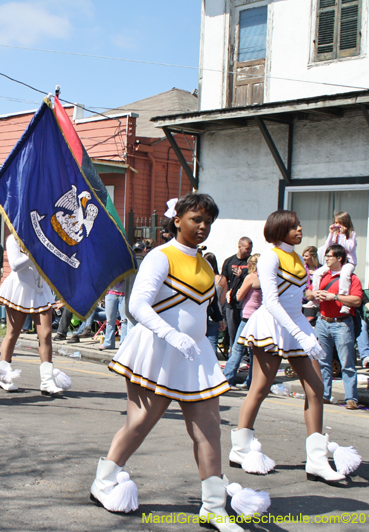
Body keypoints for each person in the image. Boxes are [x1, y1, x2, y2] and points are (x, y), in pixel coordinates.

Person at [94, 194, 255, 529]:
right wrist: (171, 335)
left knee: (209, 430)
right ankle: (104, 481)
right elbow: (136, 305)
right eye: (196, 219)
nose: (202, 227)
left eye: (208, 221)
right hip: (156, 351)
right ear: (177, 219)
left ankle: (213, 507)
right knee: (140, 423)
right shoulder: (160, 256)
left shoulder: (205, 263)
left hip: (195, 356)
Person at [232, 210, 360, 483]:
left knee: (316, 388)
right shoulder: (270, 256)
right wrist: (300, 334)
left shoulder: (295, 258)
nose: (300, 230)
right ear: (279, 230)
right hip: (272, 325)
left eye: (300, 226)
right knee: (260, 387)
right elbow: (272, 301)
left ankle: (316, 460)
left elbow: (295, 293)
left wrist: (310, 303)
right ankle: (240, 448)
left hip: (298, 323)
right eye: (294, 227)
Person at [0, 233, 70, 394]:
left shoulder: (44, 236)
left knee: (46, 334)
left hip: (40, 289)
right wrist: (35, 251)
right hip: (19, 288)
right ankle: (4, 377)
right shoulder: (13, 239)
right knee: (13, 333)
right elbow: (14, 265)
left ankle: (47, 381)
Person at [311, 244, 363, 409]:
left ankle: (351, 398)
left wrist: (334, 297)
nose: (326, 259)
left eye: (330, 256)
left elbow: (356, 300)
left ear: (339, 258)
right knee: (323, 361)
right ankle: (325, 395)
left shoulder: (351, 278)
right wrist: (314, 294)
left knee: (347, 362)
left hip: (341, 323)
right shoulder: (322, 275)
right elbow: (308, 292)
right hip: (323, 321)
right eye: (326, 256)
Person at [223, 254, 261, 387]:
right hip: (260, 317)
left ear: (251, 265)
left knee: (237, 349)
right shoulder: (266, 279)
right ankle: (252, 381)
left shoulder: (251, 277)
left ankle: (227, 378)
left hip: (247, 316)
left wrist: (237, 291)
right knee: (254, 352)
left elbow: (239, 296)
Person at [313, 212, 357, 315]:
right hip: (335, 262)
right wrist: (331, 233)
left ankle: (344, 302)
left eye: (339, 223)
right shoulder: (335, 234)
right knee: (317, 273)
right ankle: (316, 297)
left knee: (345, 275)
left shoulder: (351, 234)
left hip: (347, 262)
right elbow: (327, 247)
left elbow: (349, 247)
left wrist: (342, 235)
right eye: (335, 222)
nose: (337, 225)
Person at [221, 237, 253, 349]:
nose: (249, 251)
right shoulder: (229, 262)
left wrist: (242, 275)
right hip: (232, 302)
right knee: (233, 332)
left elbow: (256, 279)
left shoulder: (251, 263)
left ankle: (245, 359)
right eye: (247, 249)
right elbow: (223, 281)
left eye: (250, 249)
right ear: (239, 247)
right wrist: (225, 294)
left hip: (246, 302)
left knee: (245, 333)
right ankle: (233, 357)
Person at [203, 253, 227, 359]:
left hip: (203, 314)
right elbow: (221, 300)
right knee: (212, 343)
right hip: (216, 312)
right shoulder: (221, 279)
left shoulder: (203, 277)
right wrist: (219, 317)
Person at [301, 246, 320, 324]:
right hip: (300, 299)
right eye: (303, 255)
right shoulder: (301, 268)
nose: (304, 258)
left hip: (313, 301)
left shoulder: (320, 269)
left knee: (309, 322)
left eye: (306, 256)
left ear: (313, 256)